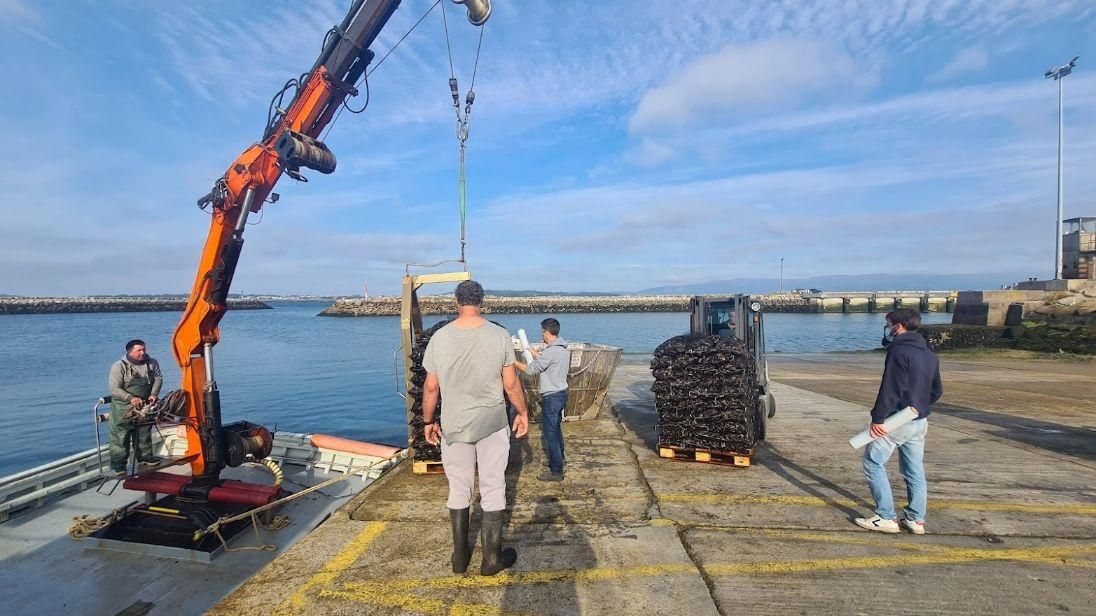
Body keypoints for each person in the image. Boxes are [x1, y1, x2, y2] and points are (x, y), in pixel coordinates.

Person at [422, 280, 530, 576]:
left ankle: (460, 557)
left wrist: (428, 421)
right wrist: (522, 412)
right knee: (493, 485)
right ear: (482, 301)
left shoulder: (440, 338)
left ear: (456, 302)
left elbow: (431, 388)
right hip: (492, 424)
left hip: (454, 425)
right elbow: (510, 383)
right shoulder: (498, 335)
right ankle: (491, 559)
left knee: (459, 487)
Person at [854, 309, 943, 535]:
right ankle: (916, 519)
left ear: (898, 326)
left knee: (873, 463)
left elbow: (890, 388)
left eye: (888, 324)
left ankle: (885, 516)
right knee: (914, 470)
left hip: (896, 420)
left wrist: (878, 418)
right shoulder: (930, 354)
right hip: (918, 419)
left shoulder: (898, 351)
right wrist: (919, 406)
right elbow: (936, 391)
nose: (887, 329)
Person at [513, 318, 569, 482]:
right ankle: (559, 458)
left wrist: (512, 362)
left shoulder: (551, 352)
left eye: (541, 332)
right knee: (556, 430)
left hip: (551, 397)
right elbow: (549, 362)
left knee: (550, 434)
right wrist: (534, 353)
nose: (541, 335)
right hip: (561, 393)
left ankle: (556, 471)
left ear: (546, 332)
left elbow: (531, 370)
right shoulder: (562, 349)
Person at [107, 339, 163, 473]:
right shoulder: (119, 366)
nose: (143, 352)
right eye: (139, 350)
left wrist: (154, 394)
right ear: (130, 352)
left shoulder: (152, 363)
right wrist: (130, 398)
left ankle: (145, 457)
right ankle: (118, 465)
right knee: (121, 436)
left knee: (144, 432)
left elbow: (158, 379)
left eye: (144, 349)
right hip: (123, 407)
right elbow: (114, 388)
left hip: (144, 405)